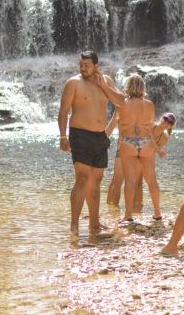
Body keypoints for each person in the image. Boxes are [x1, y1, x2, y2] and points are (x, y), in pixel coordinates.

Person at [58, 50, 125, 235]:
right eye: (81, 65)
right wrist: (63, 137)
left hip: (100, 137)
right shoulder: (73, 83)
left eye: (86, 65)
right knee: (82, 178)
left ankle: (94, 223)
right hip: (80, 135)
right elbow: (63, 111)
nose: (82, 68)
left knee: (96, 182)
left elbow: (121, 102)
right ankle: (74, 225)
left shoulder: (106, 81)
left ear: (96, 65)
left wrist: (105, 86)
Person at [109, 74, 162, 221]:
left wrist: (100, 139)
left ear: (128, 87)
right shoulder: (150, 104)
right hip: (146, 142)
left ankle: (128, 215)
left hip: (128, 142)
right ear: (142, 88)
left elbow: (112, 124)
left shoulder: (121, 104)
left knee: (130, 181)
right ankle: (157, 213)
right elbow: (151, 126)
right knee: (152, 180)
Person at [106, 112, 175, 209]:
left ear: (171, 126)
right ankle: (111, 207)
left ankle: (136, 207)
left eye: (170, 122)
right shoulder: (150, 125)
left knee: (138, 182)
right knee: (117, 179)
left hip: (143, 156)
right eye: (166, 119)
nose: (166, 122)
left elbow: (152, 151)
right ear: (161, 119)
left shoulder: (163, 139)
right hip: (129, 149)